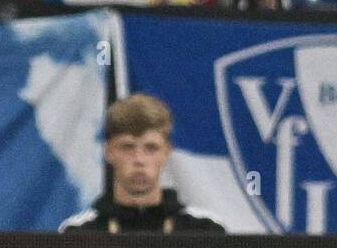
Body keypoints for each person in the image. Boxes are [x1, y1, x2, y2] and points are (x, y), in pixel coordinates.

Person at [60, 94, 224, 235]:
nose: (139, 159)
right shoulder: (78, 232)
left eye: (151, 148)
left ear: (166, 153)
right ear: (109, 152)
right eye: (127, 147)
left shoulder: (205, 230)